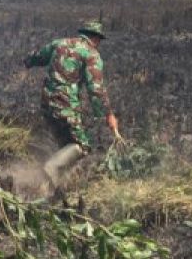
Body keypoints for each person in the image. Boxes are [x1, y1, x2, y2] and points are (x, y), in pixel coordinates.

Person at [25, 19, 122, 192]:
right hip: (65, 105)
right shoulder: (92, 55)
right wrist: (109, 115)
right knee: (82, 145)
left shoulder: (60, 43)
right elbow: (96, 90)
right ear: (96, 38)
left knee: (65, 144)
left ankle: (50, 189)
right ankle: (50, 169)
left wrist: (28, 61)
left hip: (47, 103)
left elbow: (37, 57)